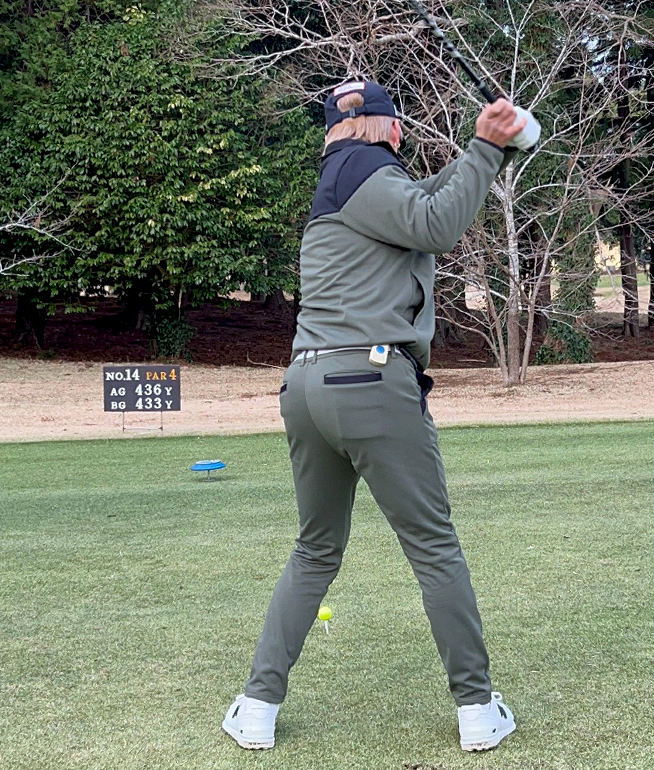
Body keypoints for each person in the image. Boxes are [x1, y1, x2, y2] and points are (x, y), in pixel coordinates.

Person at [222, 80, 527, 752]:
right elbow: (439, 224)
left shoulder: (344, 177)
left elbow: (430, 201)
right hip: (369, 380)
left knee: (314, 550)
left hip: (306, 384)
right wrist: (484, 147)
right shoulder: (369, 168)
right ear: (393, 129)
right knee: (434, 547)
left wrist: (491, 151)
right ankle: (478, 709)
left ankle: (257, 706)